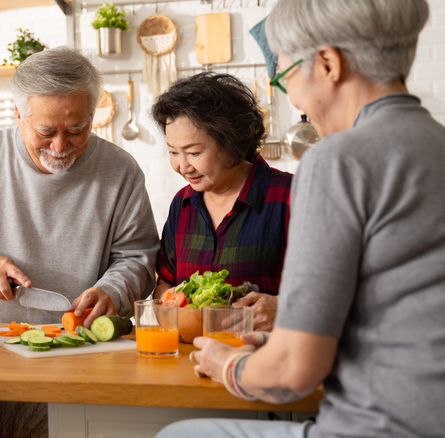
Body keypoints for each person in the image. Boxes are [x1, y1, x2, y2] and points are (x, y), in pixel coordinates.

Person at [157, 0, 444, 437]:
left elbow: (293, 372)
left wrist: (229, 364)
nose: (295, 98)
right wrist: (278, 342)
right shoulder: (435, 143)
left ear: (328, 63)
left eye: (285, 76)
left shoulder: (339, 159)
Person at [0, 46, 159, 326]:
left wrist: (114, 291)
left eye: (76, 130)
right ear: (18, 115)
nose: (59, 146)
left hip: (88, 347)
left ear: (92, 115)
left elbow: (137, 259)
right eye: (45, 132)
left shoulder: (121, 171)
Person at [150, 72, 292, 331]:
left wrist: (283, 307)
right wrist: (170, 302)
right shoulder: (182, 204)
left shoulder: (290, 196)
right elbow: (165, 283)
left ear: (232, 143)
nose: (182, 166)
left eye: (194, 152)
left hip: (263, 359)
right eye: (173, 152)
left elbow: (332, 289)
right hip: (189, 357)